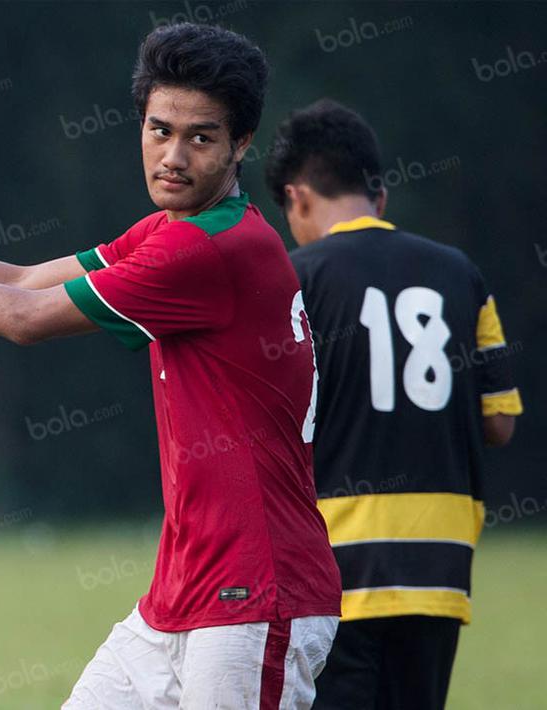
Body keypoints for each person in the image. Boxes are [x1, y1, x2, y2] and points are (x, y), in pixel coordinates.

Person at [0, 23, 341, 709]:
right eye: (158, 129)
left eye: (199, 137)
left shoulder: (208, 250)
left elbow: (25, 320)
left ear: (240, 146)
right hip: (180, 594)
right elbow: (23, 280)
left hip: (254, 595)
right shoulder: (175, 230)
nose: (172, 155)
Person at [264, 98, 522, 710]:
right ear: (377, 196)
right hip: (441, 561)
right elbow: (500, 421)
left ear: (297, 197)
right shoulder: (461, 274)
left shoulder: (295, 278)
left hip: (334, 566)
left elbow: (270, 420)